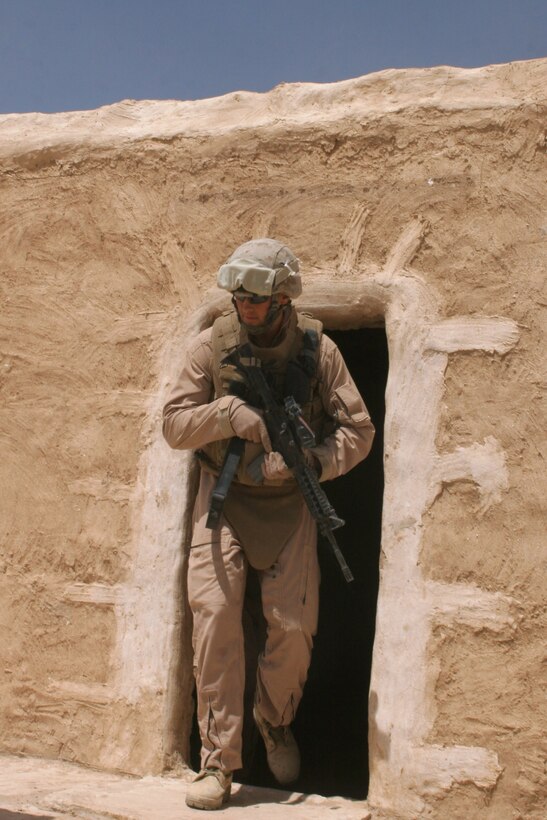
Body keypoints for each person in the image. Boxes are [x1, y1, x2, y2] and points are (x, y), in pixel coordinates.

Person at [162, 238, 375, 811]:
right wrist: (227, 414)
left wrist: (314, 461)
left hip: (291, 506)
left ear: (283, 298)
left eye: (257, 299)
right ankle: (216, 764)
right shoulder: (212, 345)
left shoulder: (319, 351)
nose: (246, 308)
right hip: (223, 499)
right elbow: (174, 424)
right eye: (239, 298)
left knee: (293, 629)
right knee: (215, 625)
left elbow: (358, 431)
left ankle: (273, 720)